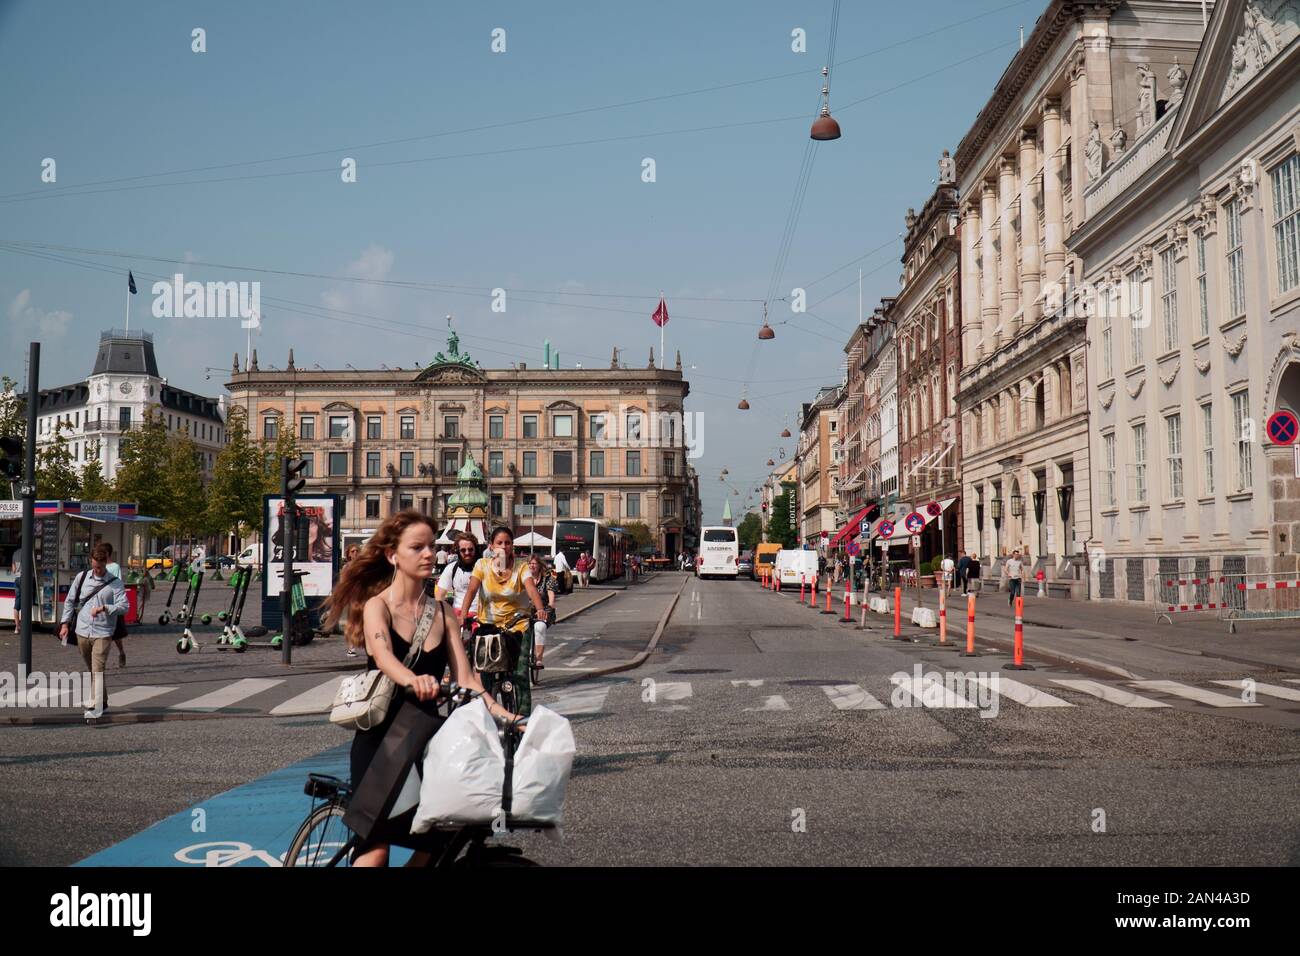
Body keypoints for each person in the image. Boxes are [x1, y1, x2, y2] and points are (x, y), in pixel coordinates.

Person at [321, 511, 509, 867]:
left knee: (441, 837)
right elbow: (384, 655)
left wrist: (506, 716)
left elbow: (467, 679)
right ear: (393, 555)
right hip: (381, 741)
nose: (429, 554)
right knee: (376, 850)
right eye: (417, 547)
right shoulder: (378, 607)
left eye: (431, 547)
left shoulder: (443, 612)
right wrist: (412, 679)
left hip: (425, 740)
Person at [459, 527, 548, 717]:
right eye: (499, 543)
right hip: (489, 627)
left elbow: (531, 589)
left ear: (512, 546)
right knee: (486, 678)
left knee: (520, 675)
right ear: (491, 546)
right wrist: (463, 614)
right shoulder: (482, 565)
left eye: (507, 543)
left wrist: (540, 609)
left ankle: (523, 721)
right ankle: (487, 718)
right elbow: (472, 590)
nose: (504, 546)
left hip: (517, 626)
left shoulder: (521, 567)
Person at [59, 543, 128, 722]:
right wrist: (65, 624)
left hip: (103, 632)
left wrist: (105, 607)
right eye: (95, 566)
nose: (97, 570)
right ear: (91, 562)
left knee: (98, 668)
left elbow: (124, 606)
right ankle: (103, 700)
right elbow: (70, 601)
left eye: (101, 567)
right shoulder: (81, 578)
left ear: (106, 563)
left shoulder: (114, 582)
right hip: (82, 630)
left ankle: (96, 707)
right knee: (92, 669)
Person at [434, 532, 480, 627]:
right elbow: (439, 595)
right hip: (458, 617)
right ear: (458, 551)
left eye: (470, 549)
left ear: (476, 549)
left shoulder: (485, 567)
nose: (467, 553)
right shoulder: (451, 568)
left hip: (481, 617)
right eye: (463, 550)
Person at [526, 553, 558, 669]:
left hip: (543, 610)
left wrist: (550, 604)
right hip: (526, 611)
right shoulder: (524, 578)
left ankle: (538, 659)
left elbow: (551, 594)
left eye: (534, 563)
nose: (531, 566)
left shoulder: (547, 578)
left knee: (540, 627)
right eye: (529, 563)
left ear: (539, 565)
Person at [101, 542, 128, 668]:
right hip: (100, 604)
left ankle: (121, 652)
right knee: (102, 634)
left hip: (112, 605)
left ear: (107, 554)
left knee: (115, 635)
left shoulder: (114, 567)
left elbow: (118, 583)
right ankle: (100, 659)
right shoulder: (98, 566)